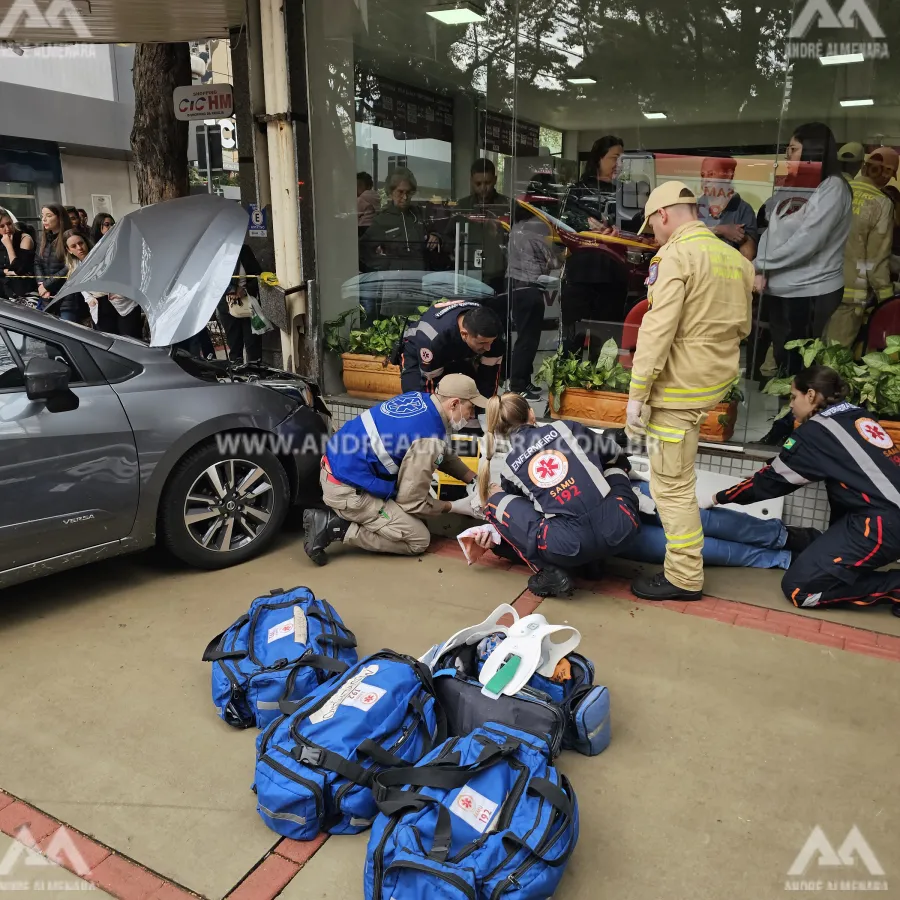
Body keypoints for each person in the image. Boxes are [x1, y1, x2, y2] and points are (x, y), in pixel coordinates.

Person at [626, 181, 754, 601]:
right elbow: (742, 328)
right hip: (712, 386)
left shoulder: (676, 255)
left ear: (664, 214)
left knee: (672, 486)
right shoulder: (733, 258)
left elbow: (656, 330)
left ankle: (683, 576)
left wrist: (637, 394)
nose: (653, 236)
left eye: (652, 226)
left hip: (676, 392)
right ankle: (685, 568)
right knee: (680, 477)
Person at [706, 366, 900, 618]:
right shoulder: (859, 416)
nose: (791, 404)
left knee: (801, 590)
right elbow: (801, 463)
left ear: (810, 395)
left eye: (793, 396)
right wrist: (769, 473)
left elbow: (771, 483)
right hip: (881, 517)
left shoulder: (815, 432)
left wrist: (716, 497)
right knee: (819, 557)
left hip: (881, 526)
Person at [302, 374, 485, 563]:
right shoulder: (428, 439)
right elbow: (412, 502)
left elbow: (442, 452)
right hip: (347, 492)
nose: (472, 416)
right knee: (418, 538)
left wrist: (475, 479)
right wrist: (455, 507)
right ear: (454, 404)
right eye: (470, 408)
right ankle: (334, 527)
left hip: (339, 468)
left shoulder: (420, 400)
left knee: (416, 518)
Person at [476, 392, 639, 598]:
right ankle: (593, 561)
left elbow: (526, 514)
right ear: (532, 414)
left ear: (499, 432)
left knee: (496, 501)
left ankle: (551, 572)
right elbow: (612, 452)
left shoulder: (509, 466)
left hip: (569, 546)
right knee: (614, 468)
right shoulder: (566, 428)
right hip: (621, 527)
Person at [755, 123, 852, 378]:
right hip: (779, 289)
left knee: (799, 368)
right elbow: (770, 231)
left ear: (812, 150)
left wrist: (760, 264)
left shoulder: (833, 188)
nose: (788, 156)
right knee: (781, 361)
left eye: (793, 149)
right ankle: (786, 414)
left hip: (810, 291)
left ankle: (797, 418)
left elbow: (808, 242)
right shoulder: (794, 185)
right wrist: (761, 267)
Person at [559, 135, 626, 356]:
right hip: (580, 275)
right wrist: (583, 224)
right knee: (572, 342)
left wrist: (619, 231)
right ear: (598, 158)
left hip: (613, 274)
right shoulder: (577, 190)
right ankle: (570, 388)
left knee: (607, 342)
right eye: (615, 157)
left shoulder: (625, 192)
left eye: (622, 158)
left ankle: (600, 388)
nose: (619, 163)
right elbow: (562, 224)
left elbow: (640, 226)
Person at [824, 146, 897, 347]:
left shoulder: (835, 192)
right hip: (849, 293)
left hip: (818, 287)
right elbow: (876, 259)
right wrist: (887, 299)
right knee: (834, 358)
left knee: (808, 351)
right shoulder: (881, 203)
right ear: (886, 174)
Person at [504, 203, 558, 398]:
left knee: (525, 336)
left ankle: (524, 380)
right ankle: (519, 384)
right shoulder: (533, 232)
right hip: (530, 287)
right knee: (528, 338)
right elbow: (552, 261)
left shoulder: (515, 231)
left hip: (517, 286)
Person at [400, 300, 504, 398]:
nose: (488, 347)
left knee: (470, 393)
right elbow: (430, 384)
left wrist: (488, 408)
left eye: (491, 342)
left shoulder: (492, 334)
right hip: (418, 350)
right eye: (483, 343)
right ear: (464, 334)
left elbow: (489, 377)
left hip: (457, 351)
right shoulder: (434, 339)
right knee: (417, 397)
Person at [64, 230, 144, 339]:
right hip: (100, 306)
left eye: (80, 243)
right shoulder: (74, 267)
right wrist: (89, 299)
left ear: (85, 242)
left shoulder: (104, 254)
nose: (79, 248)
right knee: (108, 343)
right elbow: (81, 288)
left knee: (130, 340)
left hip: (122, 301)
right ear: (69, 250)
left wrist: (121, 290)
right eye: (74, 246)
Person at [360, 167, 441, 274]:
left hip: (420, 276)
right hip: (394, 279)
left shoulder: (419, 214)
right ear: (391, 192)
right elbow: (363, 249)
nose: (405, 197)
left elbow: (438, 231)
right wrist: (385, 265)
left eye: (408, 192)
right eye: (400, 192)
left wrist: (436, 236)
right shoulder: (382, 220)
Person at [452, 158, 511, 296]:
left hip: (499, 276)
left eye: (487, 183)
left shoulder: (507, 206)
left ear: (495, 180)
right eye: (478, 183)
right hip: (468, 274)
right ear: (471, 181)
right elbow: (449, 237)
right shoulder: (462, 206)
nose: (483, 188)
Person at [697, 156, 757, 260]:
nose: (705, 180)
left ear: (728, 175)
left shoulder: (743, 210)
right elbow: (682, 237)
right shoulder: (694, 207)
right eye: (703, 175)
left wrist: (743, 238)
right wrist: (720, 230)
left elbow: (748, 257)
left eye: (711, 174)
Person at [216, 243, 263, 363]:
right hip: (227, 305)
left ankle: (255, 373)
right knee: (234, 345)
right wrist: (230, 290)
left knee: (253, 344)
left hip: (248, 304)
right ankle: (237, 376)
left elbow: (258, 276)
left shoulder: (243, 250)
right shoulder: (216, 253)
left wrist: (245, 289)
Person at [35, 204, 83, 321]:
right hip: (48, 296)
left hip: (68, 297)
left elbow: (71, 266)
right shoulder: (43, 238)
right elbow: (37, 262)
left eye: (49, 216)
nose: (44, 219)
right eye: (42, 216)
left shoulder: (70, 237)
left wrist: (47, 285)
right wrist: (41, 284)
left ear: (59, 217)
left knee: (69, 332)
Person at [0, 207, 35, 299]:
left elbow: (18, 270)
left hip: (24, 293)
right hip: (4, 292)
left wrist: (9, 246)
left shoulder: (24, 238)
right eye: (2, 226)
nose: (7, 229)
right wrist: (5, 271)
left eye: (9, 224)